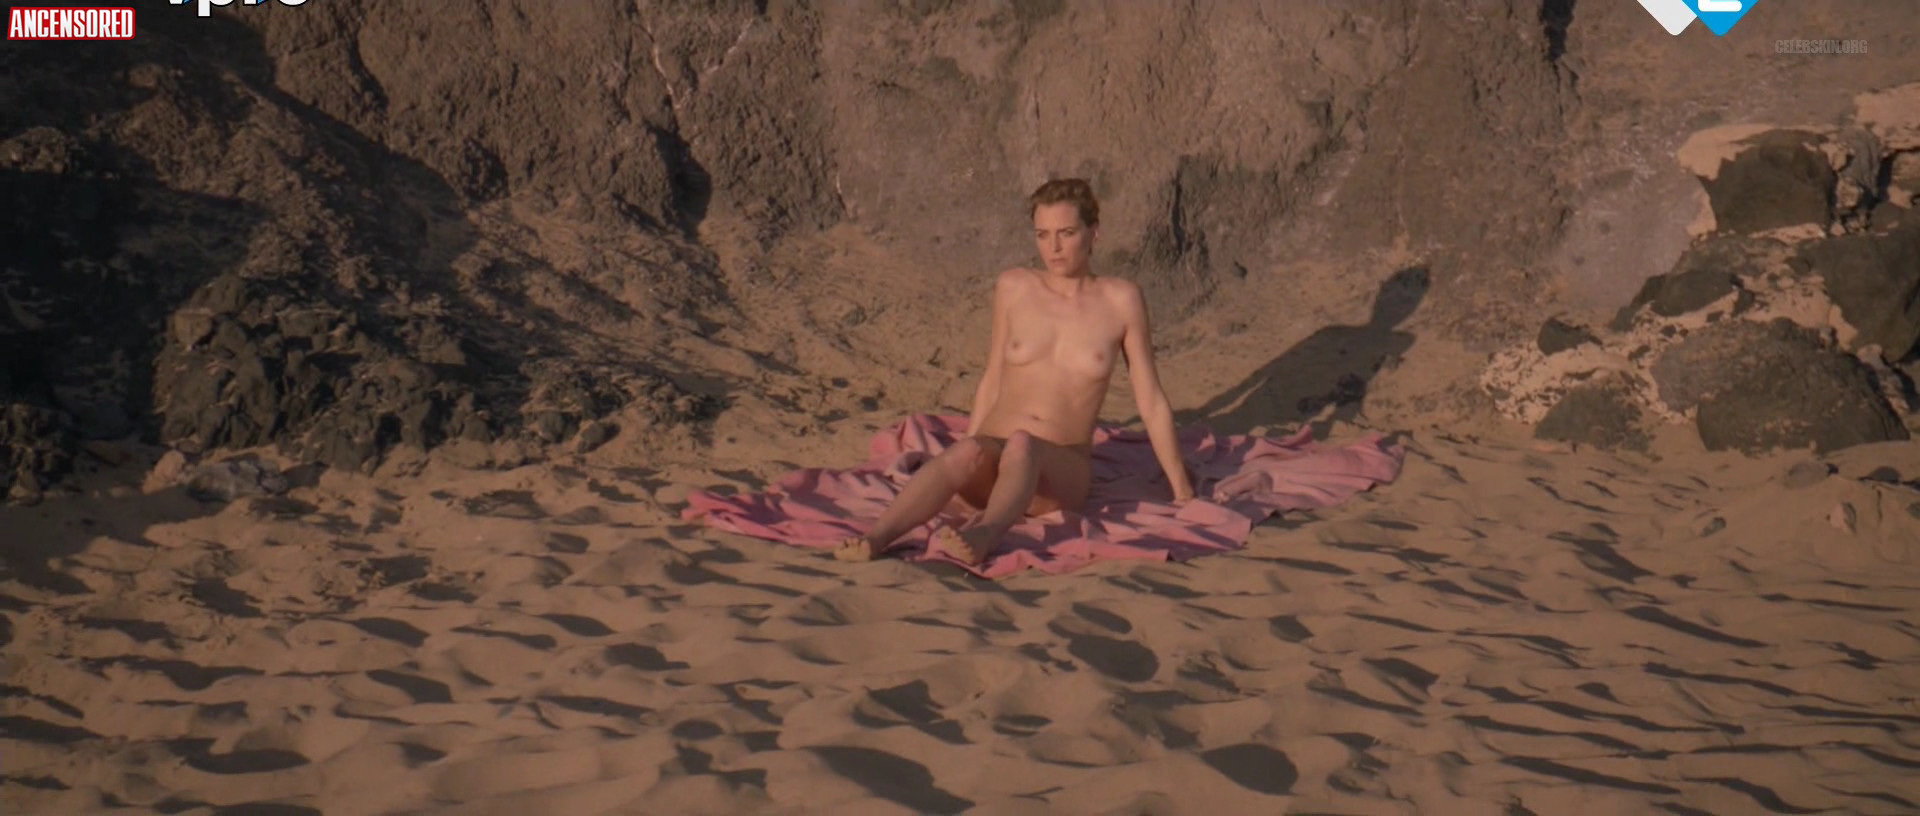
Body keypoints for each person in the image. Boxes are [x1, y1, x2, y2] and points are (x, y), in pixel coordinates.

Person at [835, 179, 1195, 566]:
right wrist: (969, 451)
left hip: (1057, 474)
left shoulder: (1121, 300)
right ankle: (875, 538)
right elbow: (992, 378)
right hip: (995, 455)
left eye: (1066, 233)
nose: (1053, 247)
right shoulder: (1014, 287)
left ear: (1094, 232)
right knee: (969, 449)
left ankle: (985, 534)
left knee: (1023, 443)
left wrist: (1182, 490)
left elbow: (1150, 400)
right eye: (1042, 235)